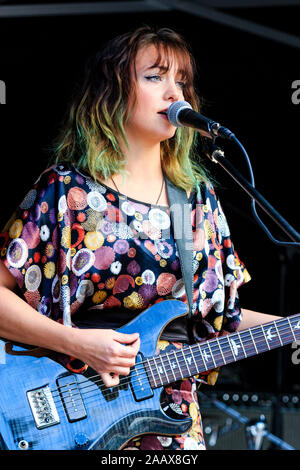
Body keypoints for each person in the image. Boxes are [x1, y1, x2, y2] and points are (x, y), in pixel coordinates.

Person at [0, 25, 282, 451]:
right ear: (112, 92)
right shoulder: (66, 192)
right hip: (73, 416)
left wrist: (292, 330)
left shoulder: (196, 202)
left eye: (181, 81)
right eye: (155, 77)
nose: (175, 94)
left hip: (171, 424)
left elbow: (224, 316)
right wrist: (76, 342)